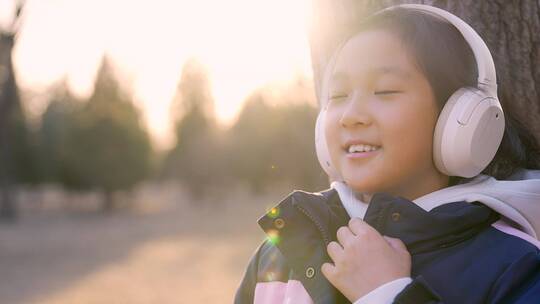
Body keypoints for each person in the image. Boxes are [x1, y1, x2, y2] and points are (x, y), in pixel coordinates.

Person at [234, 4, 540, 303]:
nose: (350, 115)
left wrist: (386, 294)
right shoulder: (281, 252)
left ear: (461, 117)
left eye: (384, 91)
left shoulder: (513, 266)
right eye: (339, 96)